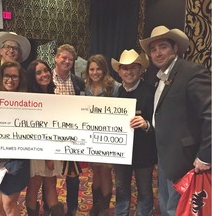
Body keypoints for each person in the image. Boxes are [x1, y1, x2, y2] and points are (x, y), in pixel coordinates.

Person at [139, 25, 211, 215]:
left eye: (163, 47)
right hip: (165, 157)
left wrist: (206, 155)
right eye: (153, 49)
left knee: (179, 208)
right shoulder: (160, 78)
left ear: (175, 48)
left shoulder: (191, 72)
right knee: (167, 205)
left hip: (186, 160)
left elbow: (210, 114)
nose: (157, 53)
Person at [111, 49, 157, 216]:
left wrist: (145, 125)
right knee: (122, 189)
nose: (128, 72)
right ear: (119, 71)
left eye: (133, 68)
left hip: (143, 151)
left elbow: (158, 124)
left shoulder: (151, 92)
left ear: (140, 70)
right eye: (125, 68)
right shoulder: (115, 93)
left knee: (144, 190)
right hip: (121, 152)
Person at [0, 61, 30, 216]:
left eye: (14, 76)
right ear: (1, 77)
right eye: (7, 76)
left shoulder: (27, 102)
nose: (10, 80)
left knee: (8, 204)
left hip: (16, 160)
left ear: (20, 79)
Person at [25, 59, 65, 216]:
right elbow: (37, 128)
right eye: (38, 72)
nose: (44, 74)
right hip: (38, 148)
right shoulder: (31, 97)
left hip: (52, 146)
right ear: (32, 77)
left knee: (50, 182)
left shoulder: (51, 94)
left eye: (46, 70)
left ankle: (55, 211)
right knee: (35, 184)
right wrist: (47, 155)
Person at [84, 54, 120, 216]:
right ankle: (96, 204)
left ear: (104, 70)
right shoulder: (86, 88)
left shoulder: (114, 87)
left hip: (107, 137)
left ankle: (104, 208)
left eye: (98, 69)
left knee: (105, 171)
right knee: (95, 171)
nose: (95, 72)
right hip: (91, 137)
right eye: (92, 69)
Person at [52, 44, 85, 216]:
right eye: (63, 57)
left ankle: (72, 208)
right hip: (50, 135)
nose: (67, 61)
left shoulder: (78, 83)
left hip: (72, 136)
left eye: (70, 59)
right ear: (56, 58)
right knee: (48, 175)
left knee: (73, 176)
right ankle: (50, 206)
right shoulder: (44, 78)